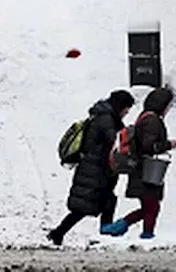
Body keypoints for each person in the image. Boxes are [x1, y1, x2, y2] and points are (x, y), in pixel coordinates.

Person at [47, 89, 136, 246]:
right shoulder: (106, 119)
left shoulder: (105, 116)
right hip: (95, 168)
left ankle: (60, 233)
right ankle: (64, 233)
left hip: (97, 167)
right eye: (126, 109)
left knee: (101, 201)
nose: (126, 113)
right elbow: (113, 140)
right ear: (120, 105)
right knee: (90, 205)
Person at [105, 88, 176, 239]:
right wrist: (168, 145)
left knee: (150, 205)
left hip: (143, 168)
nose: (169, 109)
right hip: (146, 169)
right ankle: (127, 228)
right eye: (169, 105)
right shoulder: (152, 120)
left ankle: (142, 232)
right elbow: (149, 146)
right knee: (151, 205)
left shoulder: (147, 117)